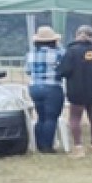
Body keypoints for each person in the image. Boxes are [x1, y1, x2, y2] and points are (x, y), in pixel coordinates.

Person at [57, 26, 92, 154]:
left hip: (76, 90)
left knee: (75, 118)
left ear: (76, 36)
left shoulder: (71, 52)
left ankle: (78, 147)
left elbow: (63, 71)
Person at [25, 25, 65, 153]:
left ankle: (39, 144)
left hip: (35, 87)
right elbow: (65, 65)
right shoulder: (58, 53)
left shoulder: (31, 54)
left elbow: (28, 71)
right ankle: (47, 146)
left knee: (41, 117)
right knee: (51, 117)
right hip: (52, 86)